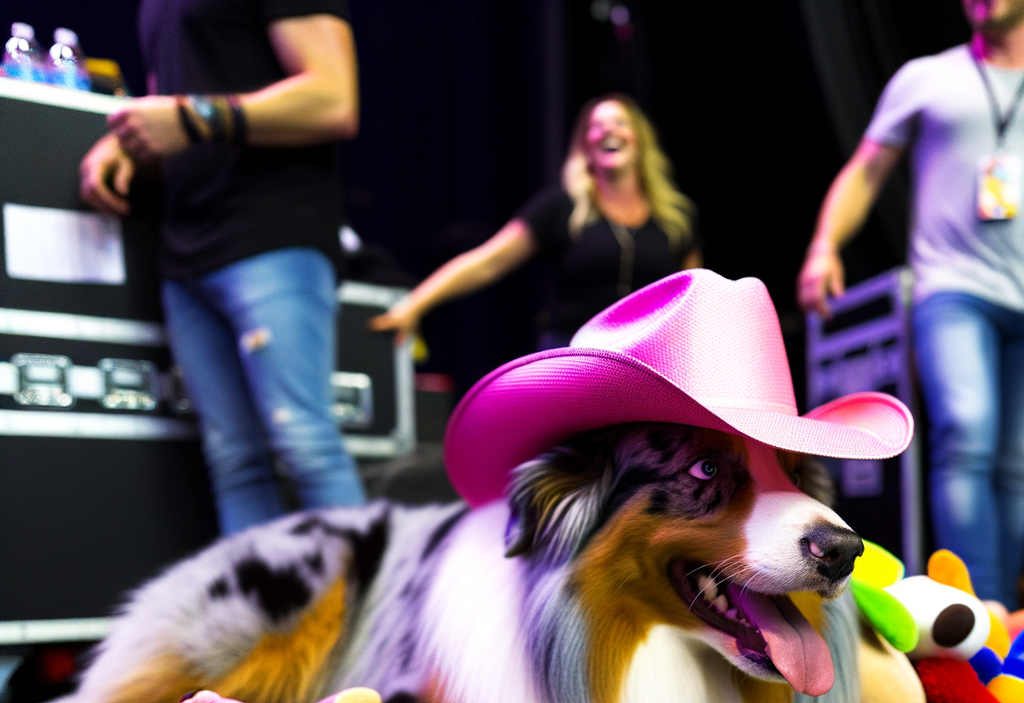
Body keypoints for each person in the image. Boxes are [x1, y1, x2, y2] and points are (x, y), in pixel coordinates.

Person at [79, 0, 365, 536]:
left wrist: (193, 117)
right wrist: (131, 143)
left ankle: (368, 619)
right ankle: (256, 621)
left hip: (272, 231)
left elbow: (334, 98)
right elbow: (180, 98)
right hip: (187, 248)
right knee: (236, 464)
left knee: (305, 444)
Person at [797, 0, 1024, 612]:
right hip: (953, 287)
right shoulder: (927, 77)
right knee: (966, 430)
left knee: (1017, 461)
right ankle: (984, 610)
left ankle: (1009, 613)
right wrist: (825, 246)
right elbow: (866, 172)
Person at [370, 93, 701, 350]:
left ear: (639, 139)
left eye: (619, 123)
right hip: (575, 355)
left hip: (652, 357)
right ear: (585, 145)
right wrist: (414, 305)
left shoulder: (676, 217)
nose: (607, 131)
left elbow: (695, 299)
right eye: (596, 126)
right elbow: (488, 261)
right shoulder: (561, 208)